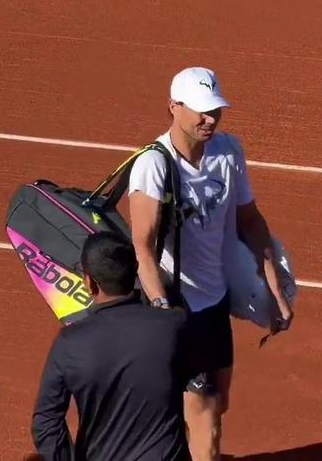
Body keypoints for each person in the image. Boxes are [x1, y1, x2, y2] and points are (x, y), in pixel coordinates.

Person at [127, 66, 294, 460]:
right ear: (173, 107)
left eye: (215, 109)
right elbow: (144, 250)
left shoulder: (228, 151)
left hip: (214, 305)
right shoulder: (153, 166)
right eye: (201, 110)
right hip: (178, 309)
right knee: (205, 416)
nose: (210, 119)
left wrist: (275, 290)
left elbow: (250, 222)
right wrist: (162, 311)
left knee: (218, 403)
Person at [31, 231, 192, 461]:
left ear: (89, 283)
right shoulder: (175, 326)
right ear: (135, 270)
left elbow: (46, 422)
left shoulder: (69, 343)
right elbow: (197, 376)